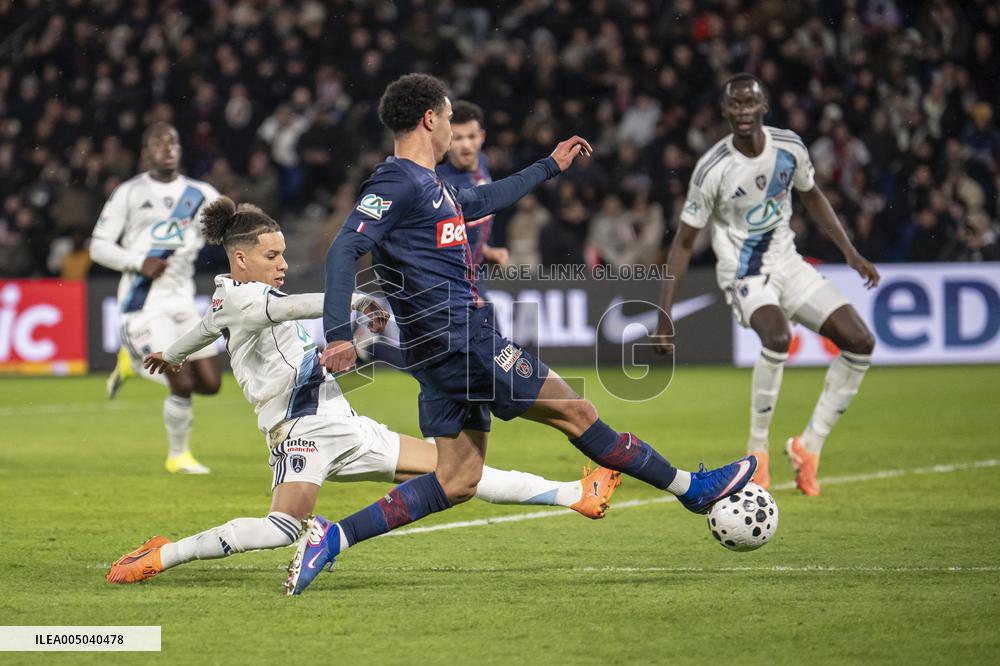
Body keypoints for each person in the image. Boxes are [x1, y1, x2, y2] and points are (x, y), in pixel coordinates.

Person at [295, 73, 755, 596]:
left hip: (442, 351)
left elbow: (480, 201)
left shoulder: (431, 185)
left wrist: (548, 167)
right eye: (448, 117)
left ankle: (333, 537)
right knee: (577, 414)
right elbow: (342, 250)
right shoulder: (396, 182)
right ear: (430, 119)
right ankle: (691, 489)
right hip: (462, 339)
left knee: (458, 479)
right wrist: (338, 335)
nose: (452, 127)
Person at [105, 197, 621, 585]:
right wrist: (353, 300)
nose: (282, 264)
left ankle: (579, 494)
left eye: (283, 253)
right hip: (301, 429)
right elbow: (289, 308)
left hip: (340, 421)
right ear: (241, 259)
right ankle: (163, 554)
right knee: (284, 528)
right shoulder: (250, 298)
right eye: (272, 255)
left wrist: (170, 353)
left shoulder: (227, 299)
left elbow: (204, 328)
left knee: (457, 474)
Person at [655, 74, 880, 495]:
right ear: (725, 112)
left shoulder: (790, 147)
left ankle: (808, 447)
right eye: (734, 105)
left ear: (763, 107)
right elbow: (683, 244)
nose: (742, 112)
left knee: (861, 341)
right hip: (744, 274)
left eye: (749, 104)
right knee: (778, 336)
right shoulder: (712, 169)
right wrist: (665, 313)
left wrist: (850, 252)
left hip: (789, 263)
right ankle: (757, 454)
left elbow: (813, 196)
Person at [89, 122, 222, 474]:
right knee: (180, 378)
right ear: (146, 151)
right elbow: (98, 246)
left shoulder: (201, 193)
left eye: (174, 141)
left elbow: (226, 228)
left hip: (184, 300)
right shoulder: (129, 193)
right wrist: (138, 261)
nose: (168, 147)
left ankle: (132, 365)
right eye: (159, 142)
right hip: (142, 302)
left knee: (210, 384)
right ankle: (178, 455)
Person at [435, 101, 509, 270]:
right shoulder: (439, 184)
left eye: (472, 136)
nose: (466, 145)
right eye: (458, 138)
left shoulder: (482, 162)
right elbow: (438, 246)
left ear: (482, 136)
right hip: (454, 280)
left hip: (476, 274)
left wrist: (486, 251)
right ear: (447, 139)